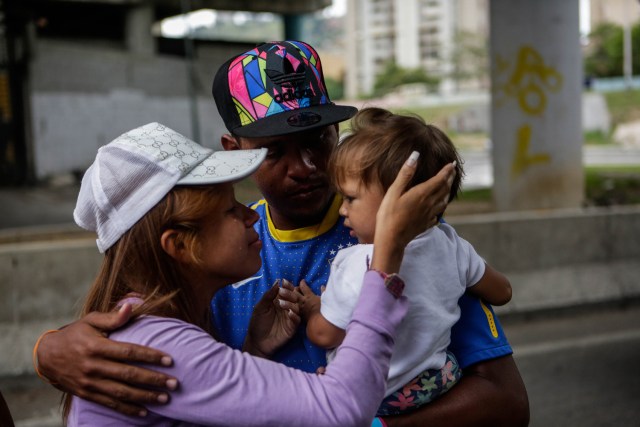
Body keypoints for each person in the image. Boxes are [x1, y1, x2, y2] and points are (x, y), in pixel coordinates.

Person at [35, 41, 529, 426]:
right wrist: (52, 348)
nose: (308, 167)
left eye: (319, 139)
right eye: (276, 151)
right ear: (235, 148)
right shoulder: (222, 254)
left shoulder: (400, 234)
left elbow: (505, 403)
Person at [61, 121, 453, 425]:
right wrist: (386, 257)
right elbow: (341, 409)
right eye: (231, 211)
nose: (252, 214)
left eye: (317, 140)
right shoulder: (154, 344)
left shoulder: (153, 327)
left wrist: (251, 352)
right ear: (179, 245)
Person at [299, 107, 512, 417]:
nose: (342, 210)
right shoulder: (452, 244)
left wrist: (314, 309)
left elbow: (324, 334)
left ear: (401, 199)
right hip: (438, 383)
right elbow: (502, 292)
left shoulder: (357, 263)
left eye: (350, 198)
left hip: (378, 397)